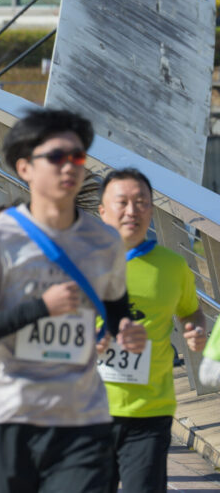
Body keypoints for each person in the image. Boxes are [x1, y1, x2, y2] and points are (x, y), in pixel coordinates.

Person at [0, 109, 147, 493]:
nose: (70, 167)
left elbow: (116, 309)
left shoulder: (103, 240)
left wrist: (124, 329)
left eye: (77, 157)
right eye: (57, 157)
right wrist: (41, 308)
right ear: (25, 168)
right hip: (9, 414)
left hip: (82, 417)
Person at [97, 168, 208, 493]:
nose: (132, 210)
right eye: (122, 202)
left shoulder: (173, 266)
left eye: (141, 202)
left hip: (150, 411)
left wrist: (195, 330)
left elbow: (192, 312)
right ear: (102, 211)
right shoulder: (80, 263)